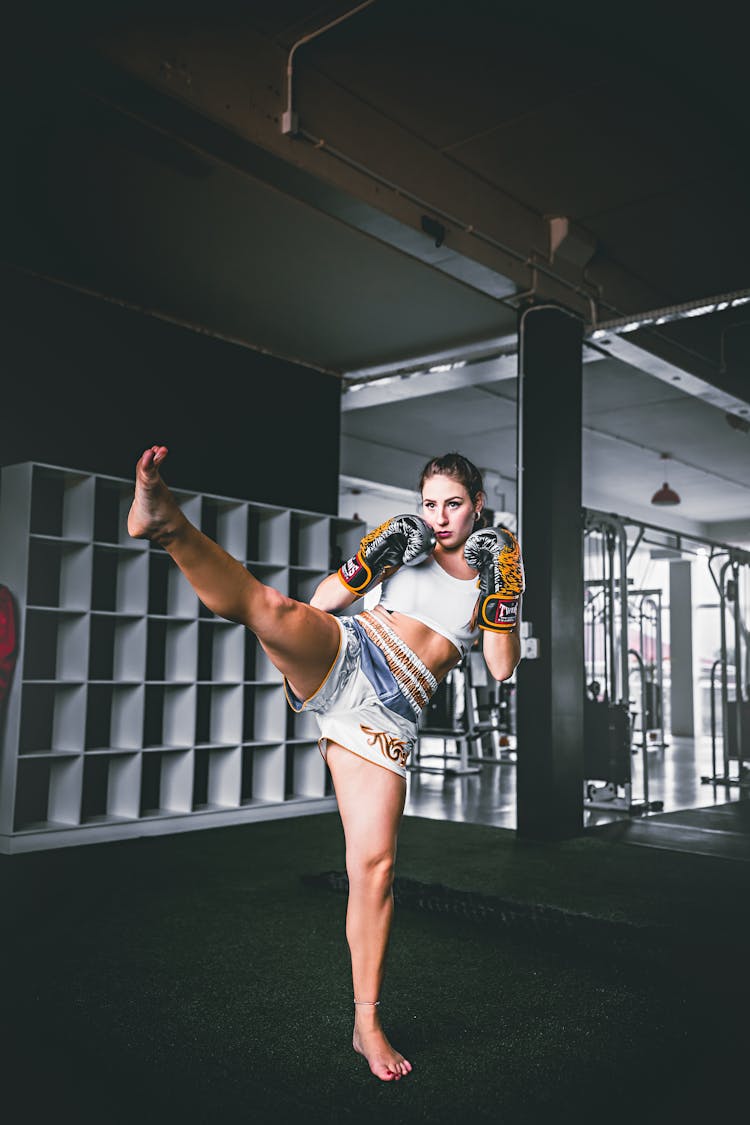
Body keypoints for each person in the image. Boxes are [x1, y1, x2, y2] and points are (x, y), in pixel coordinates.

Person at [128, 446, 523, 1082]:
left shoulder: (495, 561)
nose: (440, 517)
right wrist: (373, 561)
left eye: (453, 504)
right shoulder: (409, 544)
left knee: (374, 867)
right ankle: (166, 524)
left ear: (477, 505)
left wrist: (504, 587)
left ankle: (366, 1024)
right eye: (429, 504)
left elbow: (502, 667)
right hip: (351, 650)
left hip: (392, 711)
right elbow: (322, 601)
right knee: (275, 610)